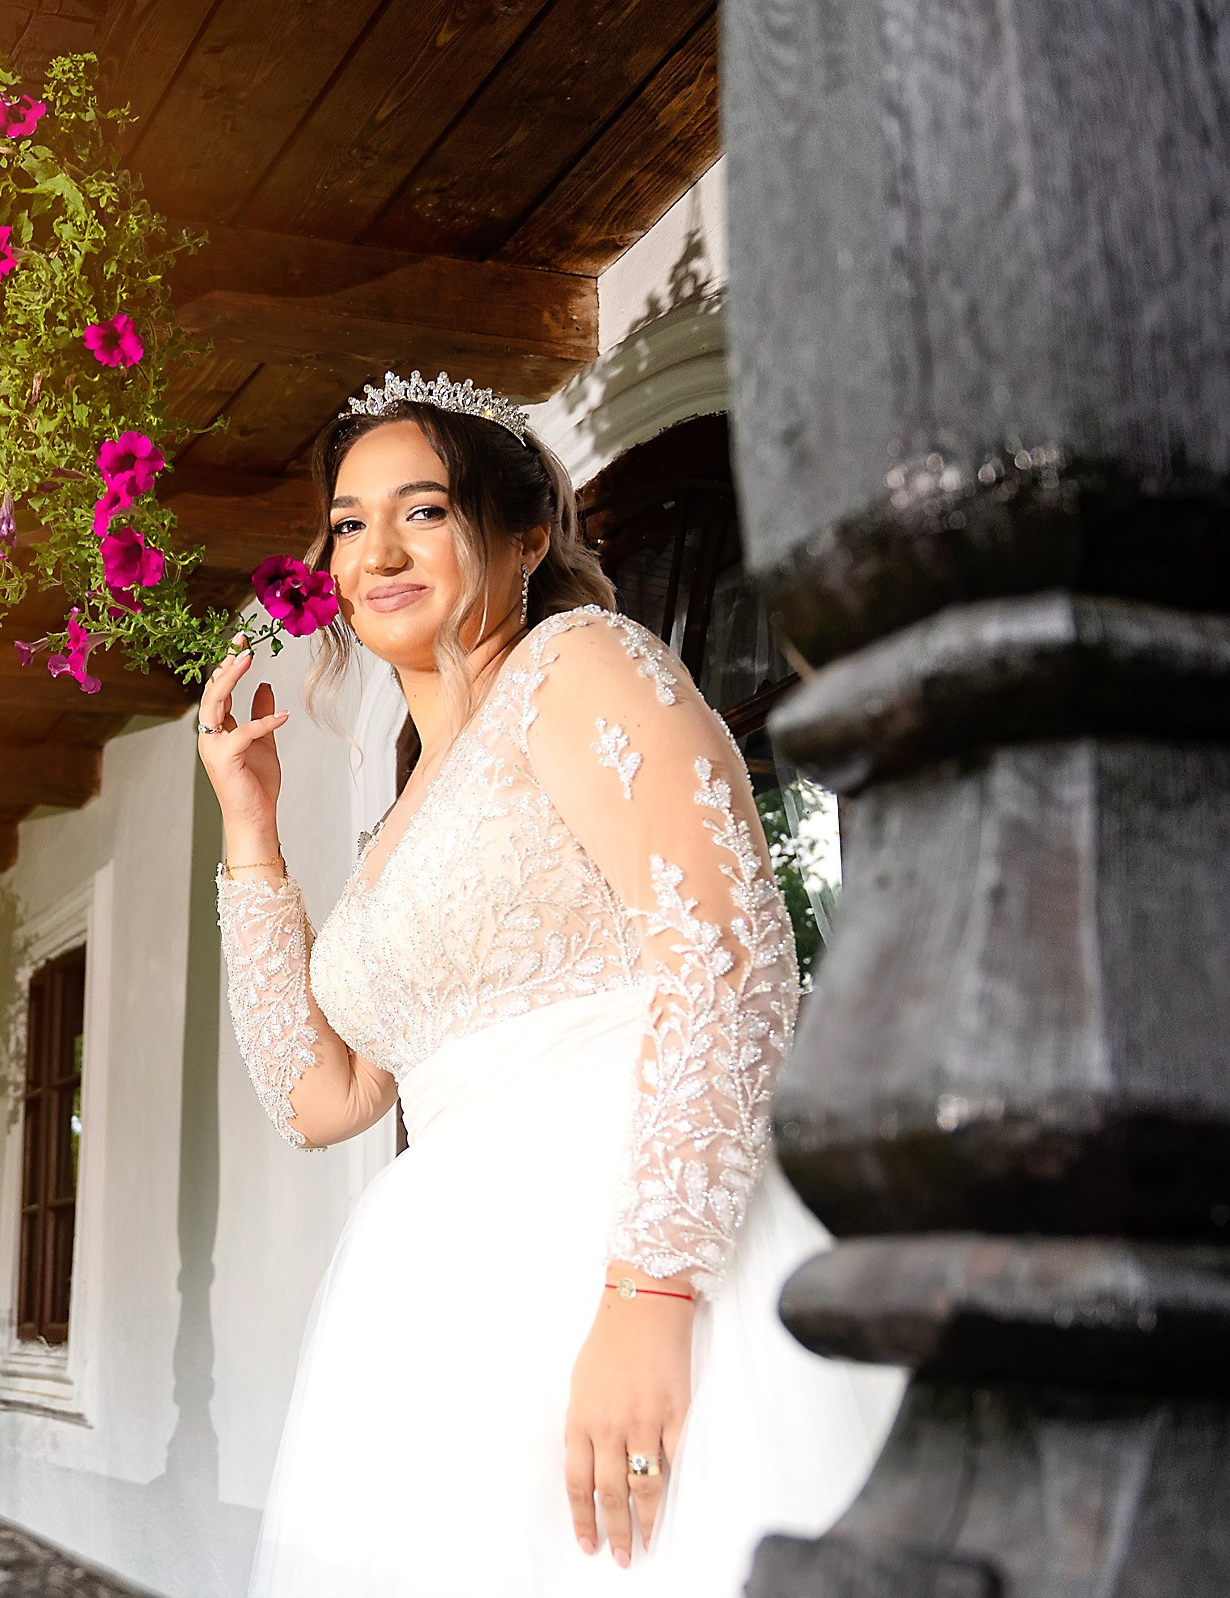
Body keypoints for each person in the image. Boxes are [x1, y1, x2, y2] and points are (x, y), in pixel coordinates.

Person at [201, 374, 901, 1595]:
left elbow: (724, 952)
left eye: (422, 509)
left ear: (526, 534)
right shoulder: (402, 815)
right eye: (350, 522)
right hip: (435, 1305)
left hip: (614, 1237)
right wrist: (248, 826)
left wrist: (652, 1290)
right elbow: (322, 1094)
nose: (377, 549)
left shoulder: (579, 661)